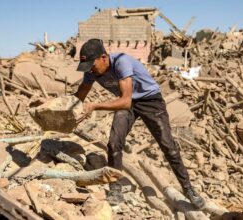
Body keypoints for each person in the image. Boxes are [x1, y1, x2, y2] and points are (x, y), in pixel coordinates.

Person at [73, 38, 205, 208]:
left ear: (104, 58)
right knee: (114, 143)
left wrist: (95, 106)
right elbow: (79, 95)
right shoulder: (90, 72)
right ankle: (115, 189)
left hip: (149, 100)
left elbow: (126, 101)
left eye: (92, 64)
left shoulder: (122, 62)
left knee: (167, 146)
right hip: (127, 103)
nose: (90, 69)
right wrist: (57, 106)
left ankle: (188, 189)